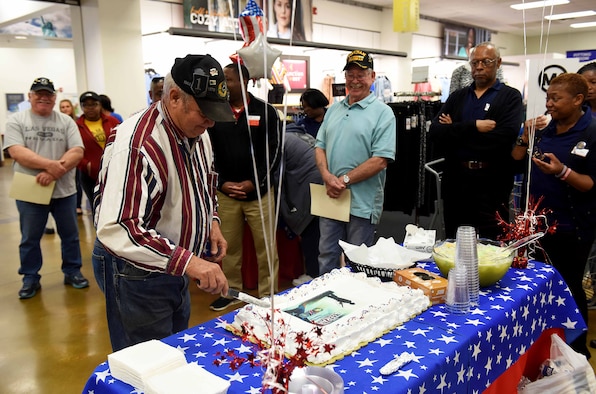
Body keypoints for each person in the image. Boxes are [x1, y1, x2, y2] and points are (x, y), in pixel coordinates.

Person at [92, 54, 233, 351]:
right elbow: (119, 228)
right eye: (203, 112)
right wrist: (191, 262)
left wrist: (212, 223)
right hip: (136, 273)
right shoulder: (138, 145)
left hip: (174, 264)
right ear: (173, 97)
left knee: (172, 347)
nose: (209, 122)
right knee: (148, 358)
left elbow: (205, 181)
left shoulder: (197, 131)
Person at [512, 73, 596, 359]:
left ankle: (576, 354)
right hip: (536, 225)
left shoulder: (591, 133)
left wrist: (562, 172)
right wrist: (525, 136)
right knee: (536, 286)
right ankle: (541, 347)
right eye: (547, 97)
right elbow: (515, 158)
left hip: (573, 227)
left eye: (555, 99)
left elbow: (590, 184)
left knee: (569, 287)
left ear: (578, 100)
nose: (549, 104)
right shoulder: (545, 129)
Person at [429, 42, 524, 239]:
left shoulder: (510, 97)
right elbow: (436, 133)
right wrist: (474, 126)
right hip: (457, 179)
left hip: (493, 181)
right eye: (475, 63)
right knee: (456, 241)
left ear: (498, 63)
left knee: (493, 242)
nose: (479, 67)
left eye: (486, 62)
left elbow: (503, 138)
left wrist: (454, 130)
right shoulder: (458, 96)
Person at [4, 77, 88, 299]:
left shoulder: (66, 121)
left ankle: (72, 271)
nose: (44, 97)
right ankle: (30, 277)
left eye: (48, 94)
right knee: (30, 237)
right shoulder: (17, 120)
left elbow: (77, 151)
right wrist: (52, 166)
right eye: (38, 93)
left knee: (69, 235)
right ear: (30, 96)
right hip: (30, 190)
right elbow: (16, 151)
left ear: (54, 97)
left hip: (64, 190)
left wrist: (52, 172)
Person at [207, 62, 282, 311]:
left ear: (244, 81)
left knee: (266, 248)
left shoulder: (266, 112)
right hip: (226, 194)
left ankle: (267, 295)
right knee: (228, 248)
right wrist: (221, 183)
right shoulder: (215, 113)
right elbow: (208, 153)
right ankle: (230, 291)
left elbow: (273, 154)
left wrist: (254, 183)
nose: (224, 85)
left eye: (228, 80)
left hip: (259, 194)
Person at [315, 50, 396, 275]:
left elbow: (380, 160)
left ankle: (357, 307)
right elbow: (319, 146)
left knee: (359, 262)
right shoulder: (333, 110)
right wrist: (327, 177)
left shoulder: (383, 113)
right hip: (331, 196)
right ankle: (324, 302)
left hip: (363, 203)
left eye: (361, 74)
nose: (355, 80)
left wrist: (343, 180)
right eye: (350, 74)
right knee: (326, 254)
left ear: (373, 77)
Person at [276, 123, 323, 285]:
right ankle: (321, 272)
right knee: (322, 231)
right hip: (325, 181)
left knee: (311, 231)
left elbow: (276, 176)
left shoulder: (280, 141)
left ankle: (313, 275)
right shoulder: (300, 135)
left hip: (310, 186)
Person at [76, 91, 120, 214]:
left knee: (116, 206)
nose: (90, 108)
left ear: (100, 105)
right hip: (90, 175)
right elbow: (73, 149)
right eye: (86, 105)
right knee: (98, 208)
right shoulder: (76, 126)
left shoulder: (112, 121)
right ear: (82, 107)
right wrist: (87, 166)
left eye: (94, 104)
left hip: (113, 172)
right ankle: (99, 233)